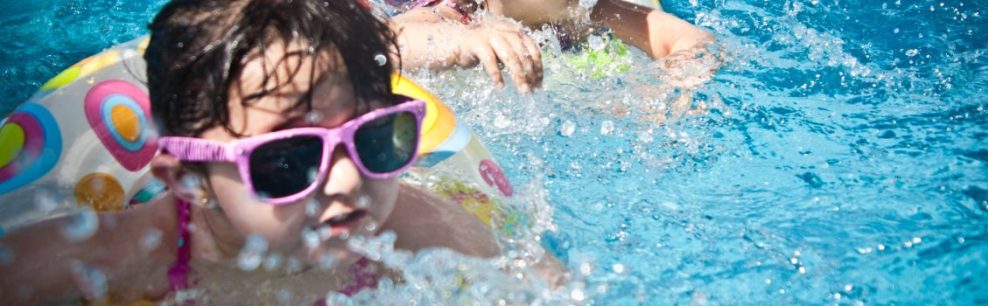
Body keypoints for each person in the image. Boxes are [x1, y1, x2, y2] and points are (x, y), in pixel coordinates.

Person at [0, 0, 520, 304]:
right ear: (187, 178)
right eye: (288, 159)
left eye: (375, 139)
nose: (346, 183)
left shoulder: (416, 232)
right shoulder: (128, 254)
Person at [384, 0, 716, 93]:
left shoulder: (589, 13)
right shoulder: (456, 16)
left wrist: (677, 78)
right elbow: (386, 41)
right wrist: (459, 43)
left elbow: (693, 39)